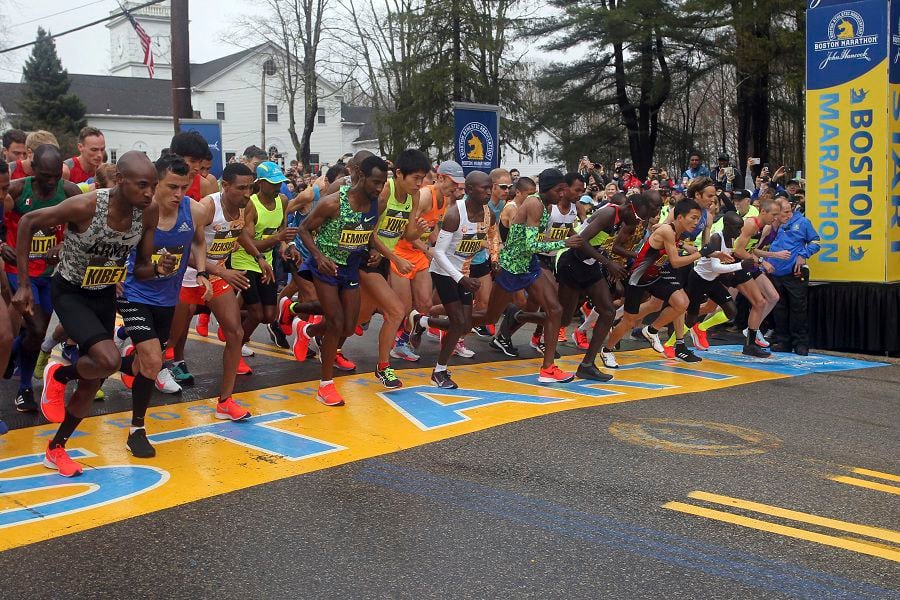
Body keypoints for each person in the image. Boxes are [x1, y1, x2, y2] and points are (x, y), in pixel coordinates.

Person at [11, 151, 161, 477]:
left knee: (92, 383)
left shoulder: (147, 212)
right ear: (120, 180)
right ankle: (60, 374)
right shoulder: (88, 206)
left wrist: (158, 267)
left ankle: (56, 447)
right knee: (107, 361)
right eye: (142, 185)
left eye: (153, 185)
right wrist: (23, 285)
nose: (149, 193)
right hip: (70, 292)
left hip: (104, 293)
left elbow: (142, 268)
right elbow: (27, 222)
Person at [116, 154, 211, 457]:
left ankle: (79, 369)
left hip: (168, 296)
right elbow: (114, 242)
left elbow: (198, 241)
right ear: (156, 183)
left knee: (148, 362)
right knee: (154, 361)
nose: (179, 194)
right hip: (133, 292)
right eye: (172, 187)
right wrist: (114, 273)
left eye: (184, 187)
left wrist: (203, 270)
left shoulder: (193, 211)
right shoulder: (137, 212)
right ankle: (137, 430)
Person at [166, 162, 268, 416]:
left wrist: (259, 257)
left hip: (217, 275)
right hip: (188, 277)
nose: (247, 193)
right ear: (226, 186)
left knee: (234, 333)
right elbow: (186, 248)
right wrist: (219, 270)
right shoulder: (207, 207)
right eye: (241, 188)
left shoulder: (245, 206)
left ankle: (225, 401)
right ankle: (141, 358)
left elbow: (239, 232)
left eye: (250, 187)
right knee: (167, 340)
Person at [292, 155, 390, 407]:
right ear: (361, 177)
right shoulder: (333, 202)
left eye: (383, 182)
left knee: (348, 327)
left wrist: (373, 251)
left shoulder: (375, 204)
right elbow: (303, 229)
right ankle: (326, 385)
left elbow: (367, 234)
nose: (379, 188)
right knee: (335, 323)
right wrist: (319, 256)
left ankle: (306, 330)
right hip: (326, 267)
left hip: (351, 268)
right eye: (376, 182)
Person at [2, 145, 82, 412]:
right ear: (33, 169)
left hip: (49, 274)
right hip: (20, 272)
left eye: (55, 176)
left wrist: (63, 246)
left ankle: (12, 352)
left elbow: (82, 226)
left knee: (35, 332)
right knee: (36, 330)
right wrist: (2, 244)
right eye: (46, 175)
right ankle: (24, 388)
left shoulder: (69, 191)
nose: (51, 182)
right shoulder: (15, 190)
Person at [485, 168, 582, 382]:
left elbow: (534, 246)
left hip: (529, 266)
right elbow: (531, 245)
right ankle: (425, 321)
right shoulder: (534, 204)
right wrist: (564, 243)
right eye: (559, 190)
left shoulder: (547, 204)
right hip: (511, 267)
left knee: (555, 309)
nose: (562, 195)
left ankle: (548, 369)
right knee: (486, 317)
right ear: (548, 189)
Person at [413, 171, 495, 388]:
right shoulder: (454, 215)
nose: (488, 192)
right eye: (483, 188)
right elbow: (438, 253)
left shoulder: (489, 215)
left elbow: (493, 237)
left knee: (465, 325)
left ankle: (422, 321)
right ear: (468, 191)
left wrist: (495, 257)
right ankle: (439, 372)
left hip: (465, 272)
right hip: (444, 271)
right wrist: (460, 278)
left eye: (490, 187)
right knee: (458, 322)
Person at [602, 198, 709, 364]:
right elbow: (675, 261)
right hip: (639, 276)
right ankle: (606, 350)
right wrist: (703, 252)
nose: (697, 222)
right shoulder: (668, 230)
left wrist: (682, 245)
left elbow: (656, 228)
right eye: (693, 218)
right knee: (629, 320)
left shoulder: (676, 231)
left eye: (698, 218)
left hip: (657, 273)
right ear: (680, 217)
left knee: (681, 303)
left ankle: (652, 330)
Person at [359, 148, 430, 388]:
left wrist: (418, 232)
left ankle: (312, 330)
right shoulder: (385, 192)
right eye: (415, 178)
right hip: (364, 258)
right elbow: (368, 232)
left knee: (358, 319)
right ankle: (383, 366)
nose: (419, 184)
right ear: (399, 174)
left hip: (382, 260)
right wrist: (394, 258)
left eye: (422, 179)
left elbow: (407, 233)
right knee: (395, 310)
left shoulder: (414, 196)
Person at [391, 160, 463, 362]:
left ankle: (402, 342)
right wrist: (428, 250)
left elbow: (431, 229)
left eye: (459, 183)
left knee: (425, 303)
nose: (456, 187)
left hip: (419, 253)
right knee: (404, 307)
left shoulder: (445, 200)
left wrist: (441, 248)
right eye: (453, 182)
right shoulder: (424, 196)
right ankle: (395, 340)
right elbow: (407, 230)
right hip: (401, 252)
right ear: (440, 178)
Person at [231, 161, 296, 371]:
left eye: (281, 182)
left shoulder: (283, 200)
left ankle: (231, 318)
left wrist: (287, 246)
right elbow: (251, 243)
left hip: (265, 261)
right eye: (273, 183)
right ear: (260, 183)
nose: (278, 187)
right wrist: (278, 239)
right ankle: (235, 351)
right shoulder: (250, 205)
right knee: (257, 314)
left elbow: (281, 231)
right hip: (245, 259)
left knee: (268, 315)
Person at [767, 197, 820, 356]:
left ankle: (800, 343)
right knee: (779, 310)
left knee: (798, 309)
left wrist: (803, 255)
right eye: (784, 213)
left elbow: (815, 242)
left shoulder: (803, 222)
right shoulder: (772, 225)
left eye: (789, 211)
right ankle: (784, 341)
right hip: (776, 272)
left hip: (794, 273)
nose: (788, 215)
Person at [170, 132, 218, 201]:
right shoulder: (160, 180)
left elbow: (208, 211)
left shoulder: (204, 186)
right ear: (176, 156)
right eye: (193, 161)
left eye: (200, 161)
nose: (197, 168)